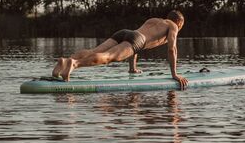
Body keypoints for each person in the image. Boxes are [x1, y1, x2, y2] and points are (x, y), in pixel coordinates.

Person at [52, 10, 189, 89]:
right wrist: (175, 75)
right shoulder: (174, 26)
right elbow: (172, 49)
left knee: (94, 50)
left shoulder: (154, 20)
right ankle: (74, 65)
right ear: (179, 22)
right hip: (137, 39)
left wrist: (132, 68)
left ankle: (66, 61)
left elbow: (136, 42)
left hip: (126, 32)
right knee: (108, 56)